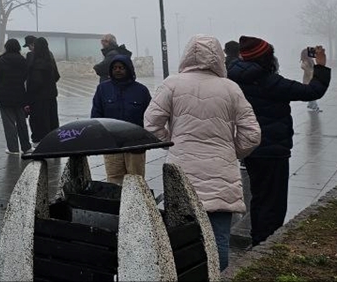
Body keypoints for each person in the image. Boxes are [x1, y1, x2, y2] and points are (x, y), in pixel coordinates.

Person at [144, 35, 260, 272]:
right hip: (221, 173)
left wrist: (173, 144)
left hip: (182, 174)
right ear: (219, 57)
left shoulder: (172, 84)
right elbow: (252, 134)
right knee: (218, 241)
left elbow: (151, 125)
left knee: (182, 239)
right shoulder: (231, 88)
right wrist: (232, 152)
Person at [228, 36, 330, 246]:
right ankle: (265, 244)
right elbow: (312, 91)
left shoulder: (234, 79)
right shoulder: (270, 81)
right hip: (273, 149)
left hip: (249, 148)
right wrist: (321, 66)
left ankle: (258, 238)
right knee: (273, 202)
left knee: (258, 196)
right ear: (266, 58)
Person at [91, 51, 152, 184]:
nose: (117, 70)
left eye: (121, 67)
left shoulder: (141, 91)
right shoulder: (103, 89)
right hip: (112, 143)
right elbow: (96, 114)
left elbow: (150, 117)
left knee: (136, 179)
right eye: (114, 68)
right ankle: (116, 204)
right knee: (114, 178)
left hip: (135, 143)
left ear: (128, 69)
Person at [0, 38, 31, 155]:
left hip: (4, 95)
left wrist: (1, 86)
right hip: (19, 94)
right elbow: (25, 76)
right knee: (21, 121)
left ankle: (13, 148)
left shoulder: (2, 60)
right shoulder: (22, 60)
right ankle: (26, 147)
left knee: (8, 122)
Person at [25, 36, 61, 143]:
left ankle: (39, 140)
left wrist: (28, 96)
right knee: (52, 118)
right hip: (50, 94)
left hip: (37, 96)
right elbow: (56, 76)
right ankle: (53, 139)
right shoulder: (49, 57)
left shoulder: (32, 58)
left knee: (38, 120)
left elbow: (34, 80)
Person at [300, 48, 321, 112]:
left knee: (312, 95)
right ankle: (315, 107)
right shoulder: (306, 61)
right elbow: (304, 67)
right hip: (308, 81)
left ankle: (311, 105)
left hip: (310, 79)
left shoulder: (310, 60)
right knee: (313, 94)